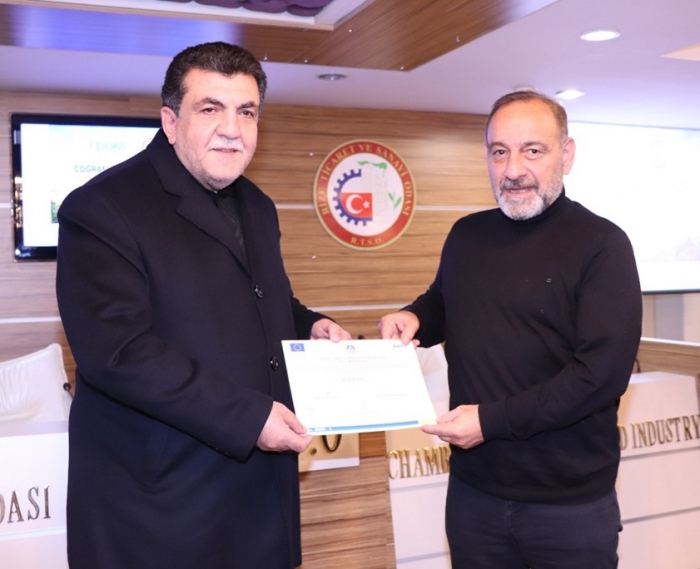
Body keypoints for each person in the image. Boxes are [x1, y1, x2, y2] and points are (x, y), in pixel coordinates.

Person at [56, 41, 350, 569]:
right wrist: (250, 416)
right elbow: (118, 352)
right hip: (160, 508)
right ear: (171, 122)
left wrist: (311, 324)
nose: (232, 129)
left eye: (247, 112)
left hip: (261, 498)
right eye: (211, 109)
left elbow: (263, 297)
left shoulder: (257, 205)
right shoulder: (101, 207)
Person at [379, 90, 642, 568]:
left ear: (567, 154)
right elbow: (444, 300)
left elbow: (599, 377)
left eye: (532, 150)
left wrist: (489, 422)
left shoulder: (603, 245)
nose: (513, 169)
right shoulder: (467, 234)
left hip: (569, 506)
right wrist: (415, 316)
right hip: (474, 495)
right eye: (499, 152)